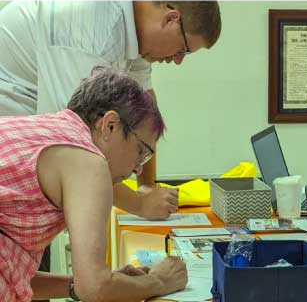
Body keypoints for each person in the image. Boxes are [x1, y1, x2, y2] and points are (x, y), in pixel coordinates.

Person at [0, 1, 221, 221]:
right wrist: (139, 203)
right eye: (183, 50)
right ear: (171, 19)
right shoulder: (92, 26)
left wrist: (146, 186)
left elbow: (146, 118)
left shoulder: (134, 33)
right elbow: (78, 149)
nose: (178, 60)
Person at [0, 69, 188, 302]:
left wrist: (115, 283)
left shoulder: (48, 133)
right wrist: (159, 281)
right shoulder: (88, 162)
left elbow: (14, 276)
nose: (138, 169)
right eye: (141, 152)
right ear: (110, 125)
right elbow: (95, 289)